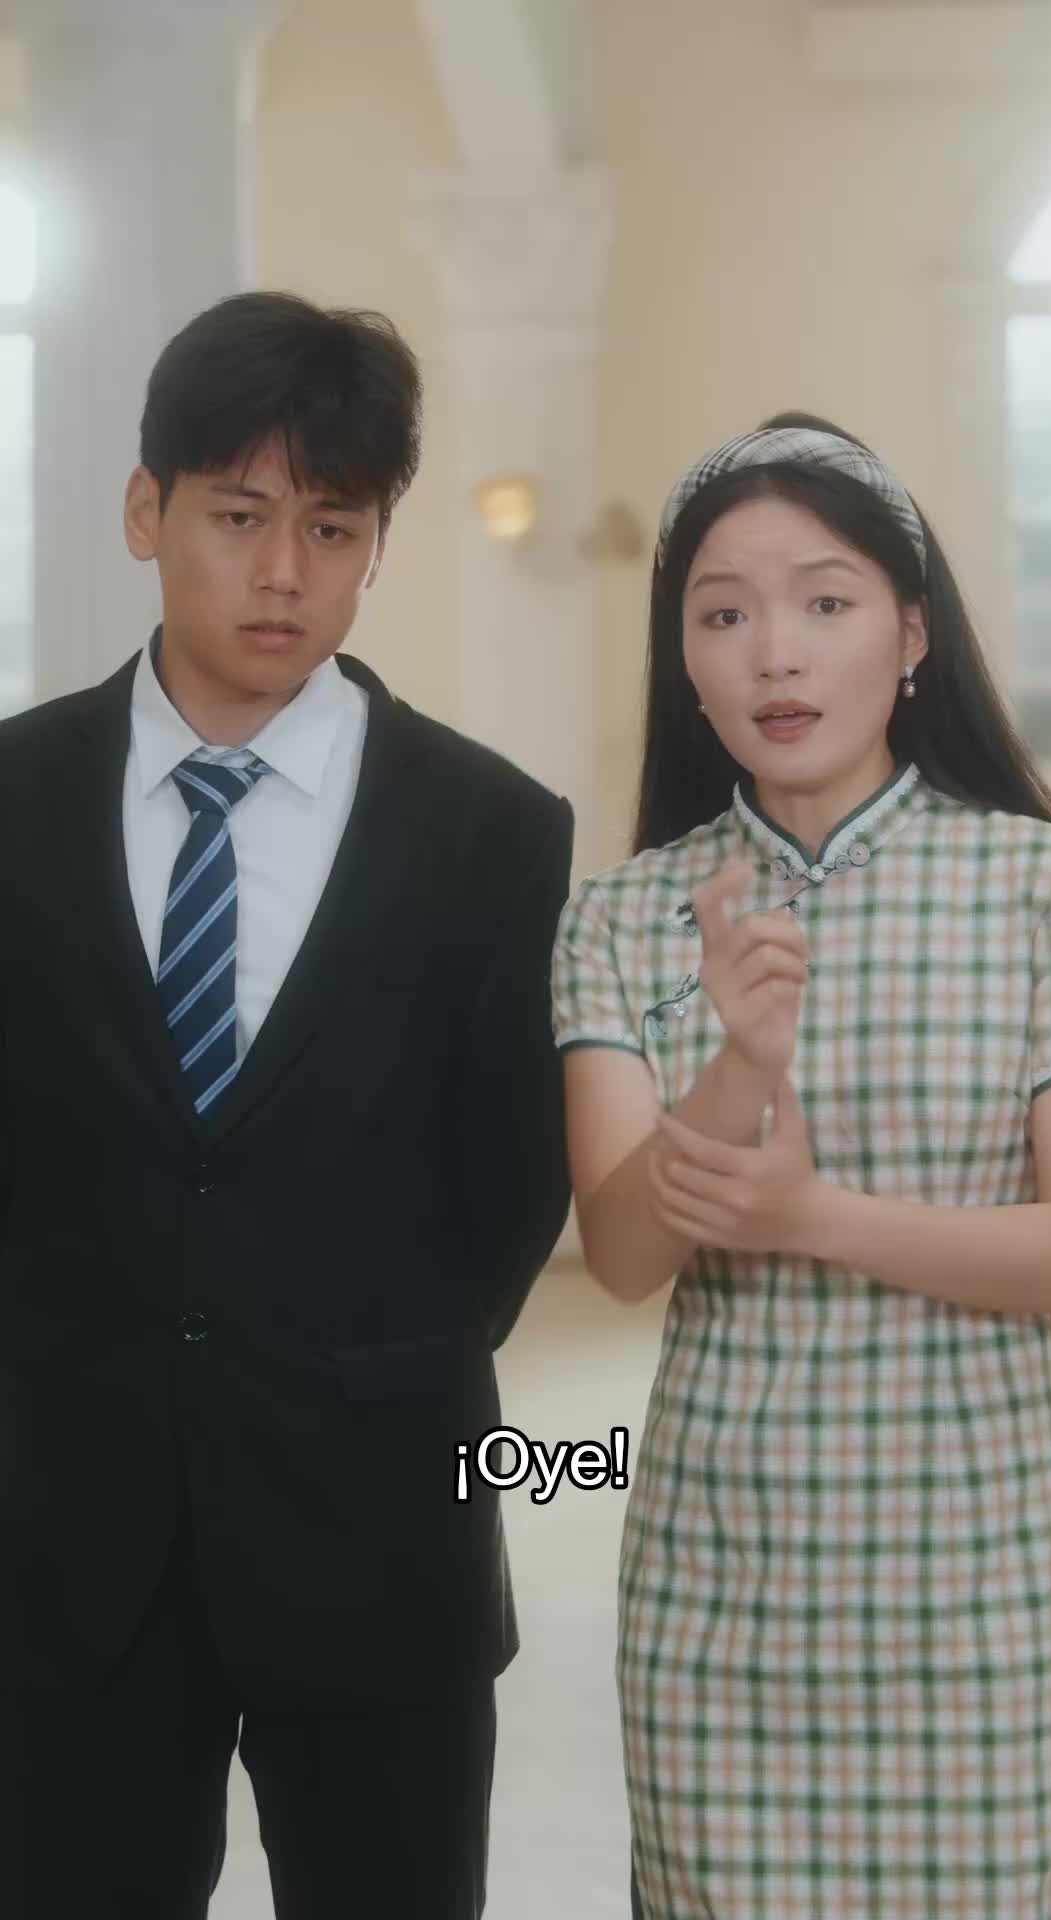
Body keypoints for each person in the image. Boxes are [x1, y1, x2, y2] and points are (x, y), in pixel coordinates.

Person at [2, 290, 574, 1919]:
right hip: (68, 1545)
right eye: (239, 515)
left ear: (375, 547)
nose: (283, 573)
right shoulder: (13, 800)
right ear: (146, 511)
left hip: (380, 1526)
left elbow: (504, 1197)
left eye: (332, 528)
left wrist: (344, 1365)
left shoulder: (491, 832)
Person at [551, 413, 1051, 1918]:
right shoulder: (621, 916)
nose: (774, 654)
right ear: (685, 661)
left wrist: (814, 1215)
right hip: (722, 1591)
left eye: (825, 602)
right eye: (723, 616)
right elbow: (625, 1256)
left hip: (979, 1587)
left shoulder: (1042, 891)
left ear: (911, 634)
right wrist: (739, 1069)